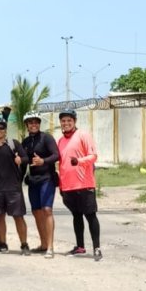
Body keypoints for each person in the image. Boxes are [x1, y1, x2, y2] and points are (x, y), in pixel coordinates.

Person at [56, 108, 101, 260]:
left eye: (69, 120)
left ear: (74, 121)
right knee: (76, 216)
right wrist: (61, 186)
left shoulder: (83, 135)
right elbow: (61, 165)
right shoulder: (60, 141)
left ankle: (97, 248)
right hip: (68, 187)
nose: (66, 123)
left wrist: (79, 161)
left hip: (84, 184)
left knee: (90, 215)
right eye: (63, 121)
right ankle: (80, 246)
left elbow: (93, 156)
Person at [0, 116, 30, 254]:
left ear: (5, 130)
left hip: (13, 188)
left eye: (1, 128)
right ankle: (3, 243)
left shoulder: (13, 144)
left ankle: (24, 244)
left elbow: (26, 158)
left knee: (18, 217)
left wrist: (20, 160)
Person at [21, 111, 60, 258]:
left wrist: (43, 161)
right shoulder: (25, 142)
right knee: (37, 212)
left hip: (47, 178)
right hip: (34, 181)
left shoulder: (47, 138)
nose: (34, 124)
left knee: (47, 210)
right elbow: (23, 163)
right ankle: (43, 244)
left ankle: (50, 247)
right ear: (26, 125)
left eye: (36, 122)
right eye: (30, 122)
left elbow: (56, 155)